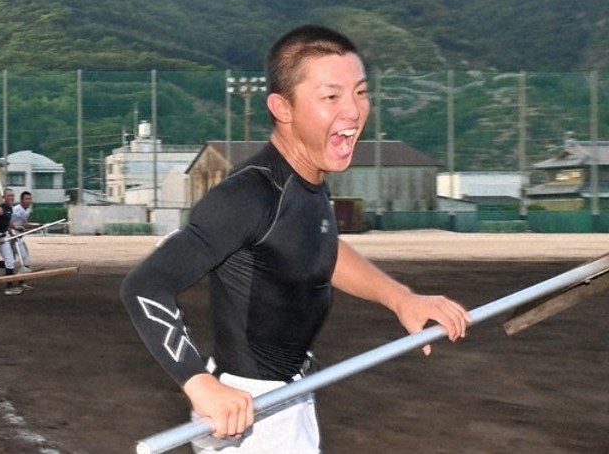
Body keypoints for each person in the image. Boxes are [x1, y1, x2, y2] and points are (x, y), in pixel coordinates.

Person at [120, 25, 472, 453]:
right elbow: (146, 285)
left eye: (360, 93)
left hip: (288, 397)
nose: (354, 111)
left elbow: (316, 249)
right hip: (247, 412)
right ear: (282, 108)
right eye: (331, 97)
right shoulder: (250, 195)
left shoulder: (308, 181)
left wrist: (402, 299)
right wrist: (200, 384)